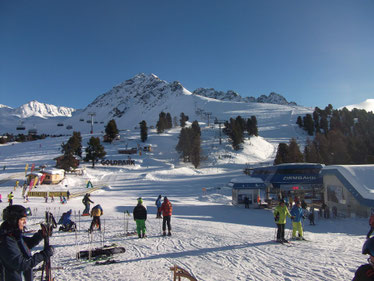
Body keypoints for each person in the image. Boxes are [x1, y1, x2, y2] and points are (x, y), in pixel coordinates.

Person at [0, 204, 54, 281]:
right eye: (22, 220)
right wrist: (43, 255)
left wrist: (41, 234)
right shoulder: (6, 240)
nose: (25, 222)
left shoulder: (13, 235)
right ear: (14, 221)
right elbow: (22, 264)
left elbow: (25, 245)